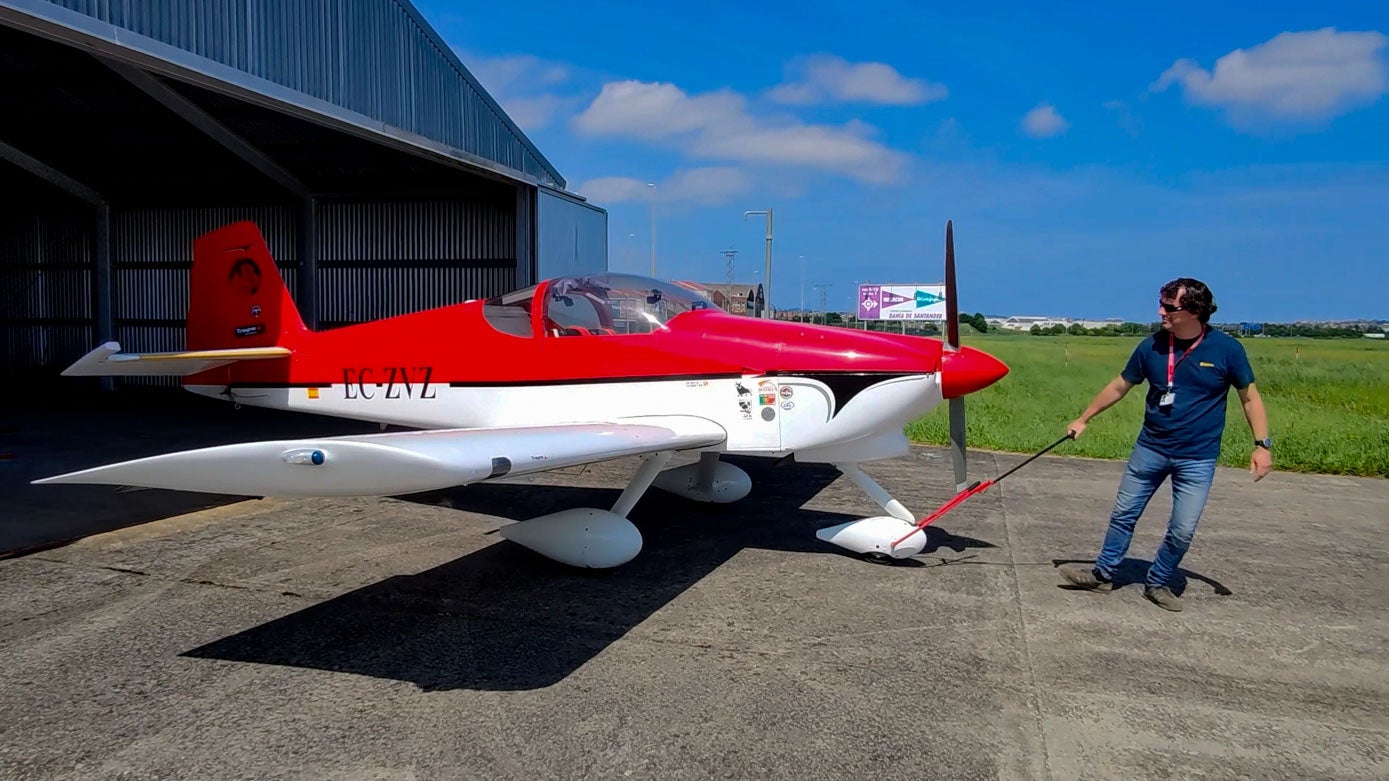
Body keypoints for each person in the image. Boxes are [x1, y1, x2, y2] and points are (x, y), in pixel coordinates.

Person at [1059, 278, 1272, 612]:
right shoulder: (1151, 346)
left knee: (1183, 528)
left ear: (1195, 310)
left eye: (1169, 307)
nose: (1160, 311)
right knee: (1123, 514)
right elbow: (1120, 385)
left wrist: (1262, 445)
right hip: (1151, 449)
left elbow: (1250, 398)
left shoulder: (1228, 350)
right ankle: (1103, 574)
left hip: (1197, 458)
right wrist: (1084, 418)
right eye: (1161, 304)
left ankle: (1158, 582)